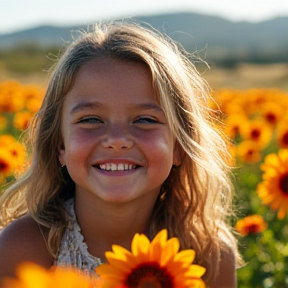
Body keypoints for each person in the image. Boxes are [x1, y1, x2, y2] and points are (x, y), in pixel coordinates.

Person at [0, 20, 241, 287]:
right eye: (91, 119)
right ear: (60, 145)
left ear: (179, 146)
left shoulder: (208, 255)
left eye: (145, 120)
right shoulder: (24, 249)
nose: (117, 140)